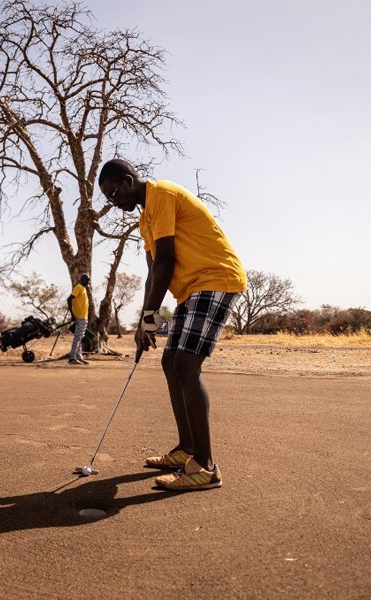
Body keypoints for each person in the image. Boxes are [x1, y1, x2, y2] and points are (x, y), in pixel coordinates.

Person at [99, 158, 246, 491]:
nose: (114, 201)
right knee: (170, 362)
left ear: (127, 179)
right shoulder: (144, 222)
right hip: (191, 289)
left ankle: (205, 468)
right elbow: (154, 272)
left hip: (216, 278)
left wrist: (150, 319)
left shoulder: (161, 194)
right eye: (108, 198)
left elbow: (167, 260)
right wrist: (145, 321)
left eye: (114, 193)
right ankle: (186, 450)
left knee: (185, 364)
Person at [66, 274, 90, 365]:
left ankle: (79, 357)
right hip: (79, 317)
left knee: (80, 337)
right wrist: (72, 315)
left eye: (89, 280)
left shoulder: (84, 289)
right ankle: (72, 358)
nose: (88, 282)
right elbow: (69, 299)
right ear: (82, 279)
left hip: (84, 317)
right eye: (87, 280)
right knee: (77, 337)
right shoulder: (79, 287)